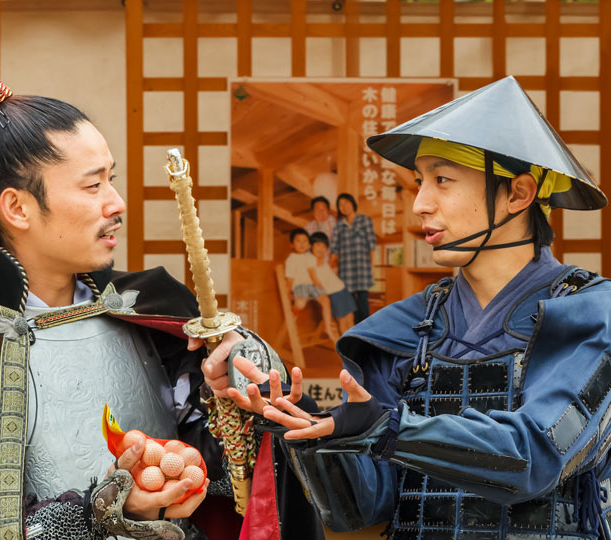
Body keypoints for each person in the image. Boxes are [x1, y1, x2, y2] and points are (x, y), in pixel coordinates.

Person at [205, 76, 611, 539]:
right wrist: (303, 424)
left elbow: (536, 459)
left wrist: (389, 428)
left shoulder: (589, 316)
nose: (419, 203)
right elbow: (362, 506)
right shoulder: (407, 328)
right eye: (420, 182)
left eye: (442, 180)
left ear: (517, 194)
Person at [0, 67, 241, 540]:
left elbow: (232, 468)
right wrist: (109, 513)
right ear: (18, 208)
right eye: (93, 185)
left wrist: (231, 395)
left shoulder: (149, 305)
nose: (116, 203)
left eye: (111, 180)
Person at [285, 228, 338, 342]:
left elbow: (315, 273)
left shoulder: (310, 257)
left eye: (305, 241)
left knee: (326, 300)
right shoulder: (292, 259)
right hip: (300, 286)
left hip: (312, 286)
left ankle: (328, 328)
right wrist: (287, 293)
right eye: (298, 241)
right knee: (300, 304)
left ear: (309, 244)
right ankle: (292, 316)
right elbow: (290, 279)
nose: (302, 244)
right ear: (291, 244)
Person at [330, 193, 376, 324]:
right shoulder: (339, 226)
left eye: (346, 203)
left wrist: (372, 267)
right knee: (351, 304)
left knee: (362, 301)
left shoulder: (365, 220)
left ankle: (367, 330)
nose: (343, 207)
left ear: (352, 203)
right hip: (345, 270)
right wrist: (326, 269)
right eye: (340, 205)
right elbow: (334, 249)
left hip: (362, 269)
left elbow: (371, 245)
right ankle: (357, 332)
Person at [309, 232, 354, 335]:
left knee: (351, 320)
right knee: (342, 323)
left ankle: (354, 345)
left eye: (324, 246)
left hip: (343, 290)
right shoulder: (309, 263)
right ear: (311, 246)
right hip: (334, 294)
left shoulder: (324, 260)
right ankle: (346, 347)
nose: (321, 249)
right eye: (318, 245)